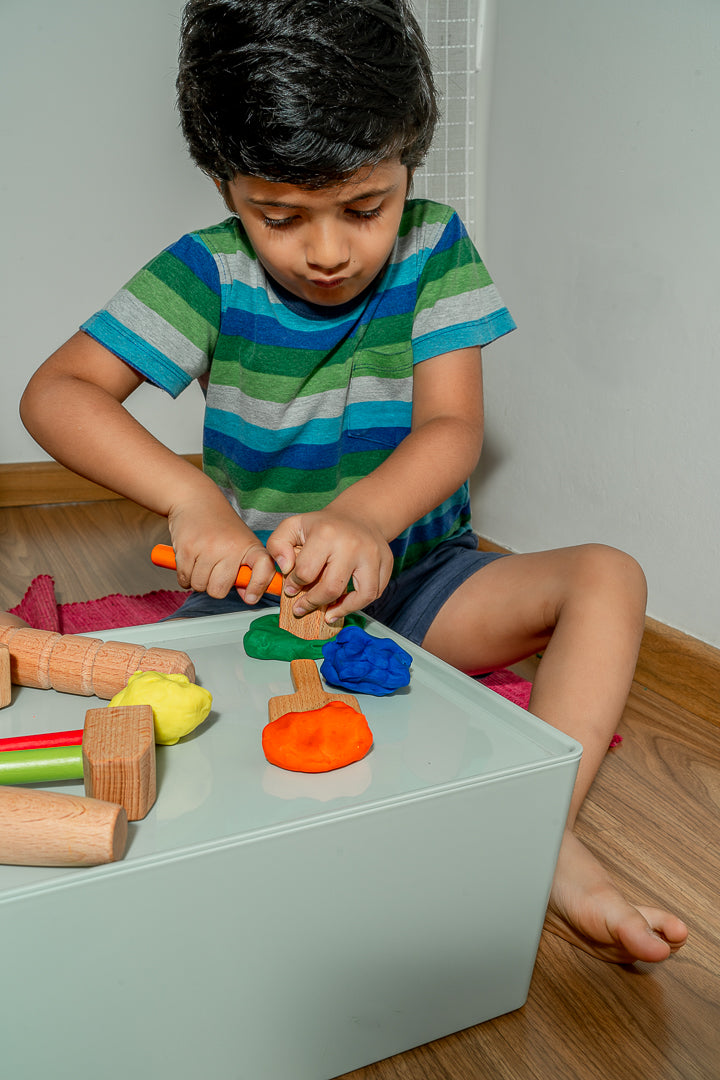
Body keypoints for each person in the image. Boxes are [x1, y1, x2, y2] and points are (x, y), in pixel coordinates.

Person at [19, 0, 687, 965]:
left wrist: (368, 518)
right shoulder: (205, 271)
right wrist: (192, 499)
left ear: (408, 157)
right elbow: (57, 393)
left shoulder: (436, 248)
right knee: (180, 747)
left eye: (364, 208)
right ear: (222, 183)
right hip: (259, 599)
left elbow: (454, 427)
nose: (328, 251)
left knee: (609, 576)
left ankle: (540, 827)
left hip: (419, 582)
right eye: (279, 216)